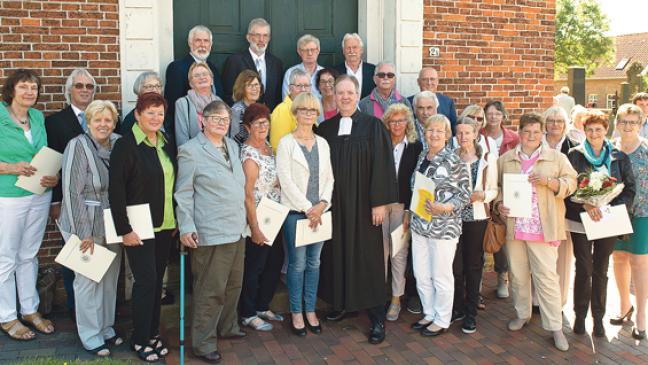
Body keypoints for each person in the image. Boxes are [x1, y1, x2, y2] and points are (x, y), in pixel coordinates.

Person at [317, 75, 398, 344]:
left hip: (365, 206)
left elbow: (383, 165)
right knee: (336, 253)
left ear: (357, 93)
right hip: (336, 206)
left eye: (350, 92)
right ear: (334, 95)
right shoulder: (326, 129)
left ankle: (376, 317)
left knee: (368, 258)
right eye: (340, 93)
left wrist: (379, 202)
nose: (345, 97)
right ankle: (342, 304)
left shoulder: (373, 126)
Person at [495, 112, 576, 351]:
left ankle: (555, 327)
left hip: (543, 227)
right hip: (515, 228)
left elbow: (572, 183)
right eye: (526, 131)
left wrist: (551, 182)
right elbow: (497, 187)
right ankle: (523, 314)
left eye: (536, 132)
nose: (531, 136)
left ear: (543, 133)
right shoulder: (507, 159)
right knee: (518, 276)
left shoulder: (556, 158)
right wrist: (498, 204)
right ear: (519, 132)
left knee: (547, 278)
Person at [174, 100, 246, 363]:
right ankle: (203, 343)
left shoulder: (233, 146)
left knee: (234, 285)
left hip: (238, 228)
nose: (221, 122)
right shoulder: (191, 150)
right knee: (210, 289)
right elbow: (183, 193)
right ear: (201, 120)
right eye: (215, 118)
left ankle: (228, 327)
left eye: (225, 119)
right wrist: (187, 226)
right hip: (211, 230)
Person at [109, 92, 176, 362]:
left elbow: (171, 183)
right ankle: (140, 338)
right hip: (137, 227)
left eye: (160, 113)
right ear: (137, 114)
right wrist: (124, 229)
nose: (155, 118)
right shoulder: (125, 145)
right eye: (150, 112)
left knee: (156, 282)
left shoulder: (165, 142)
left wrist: (176, 221)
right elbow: (116, 190)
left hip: (165, 225)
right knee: (146, 282)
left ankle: (152, 333)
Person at [58, 100, 123, 356]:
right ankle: (90, 334)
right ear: (88, 121)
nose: (103, 124)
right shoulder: (77, 145)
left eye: (108, 120)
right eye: (97, 120)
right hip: (84, 220)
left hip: (111, 222)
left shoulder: (118, 143)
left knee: (109, 279)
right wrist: (82, 233)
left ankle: (106, 327)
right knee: (88, 280)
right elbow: (72, 192)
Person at [566, 110, 636, 338]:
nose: (594, 133)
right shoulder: (575, 154)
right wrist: (585, 205)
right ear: (584, 131)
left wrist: (611, 208)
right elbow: (568, 189)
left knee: (601, 270)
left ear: (606, 130)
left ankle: (598, 319)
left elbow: (629, 189)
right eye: (589, 129)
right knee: (584, 268)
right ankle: (580, 315)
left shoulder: (618, 157)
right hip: (581, 219)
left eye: (598, 129)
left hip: (608, 220)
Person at [0, 69, 58, 341]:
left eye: (34, 88)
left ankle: (29, 309)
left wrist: (52, 175)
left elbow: (43, 153)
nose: (29, 92)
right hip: (8, 196)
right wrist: (10, 167)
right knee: (6, 257)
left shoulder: (36, 117)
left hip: (38, 193)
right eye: (23, 86)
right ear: (12, 90)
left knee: (28, 254)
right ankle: (7, 316)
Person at [276, 93, 334, 336]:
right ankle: (296, 312)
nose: (308, 114)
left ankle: (310, 309)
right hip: (296, 214)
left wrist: (322, 204)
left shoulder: (322, 143)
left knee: (314, 263)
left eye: (312, 110)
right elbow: (285, 180)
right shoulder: (286, 143)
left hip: (320, 213)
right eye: (303, 110)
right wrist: (307, 208)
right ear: (295, 113)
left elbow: (329, 177)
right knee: (297, 264)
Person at [409, 114, 470, 337]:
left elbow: (464, 195)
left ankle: (442, 318)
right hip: (419, 224)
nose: (434, 134)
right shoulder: (422, 156)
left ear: (447, 135)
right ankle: (428, 312)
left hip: (443, 227)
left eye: (439, 131)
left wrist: (444, 208)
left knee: (441, 275)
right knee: (421, 273)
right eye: (430, 130)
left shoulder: (455, 161)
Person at [46, 67, 97, 320]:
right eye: (79, 86)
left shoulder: (103, 117)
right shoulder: (55, 122)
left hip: (99, 202)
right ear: (69, 91)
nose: (85, 90)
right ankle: (76, 308)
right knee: (74, 255)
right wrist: (55, 200)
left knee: (95, 256)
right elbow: (51, 164)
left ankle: (95, 311)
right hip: (69, 200)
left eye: (89, 86)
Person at [238, 103, 285, 332]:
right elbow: (247, 193)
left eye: (266, 123)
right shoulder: (249, 154)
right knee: (254, 266)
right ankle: (247, 312)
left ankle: (262, 305)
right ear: (247, 127)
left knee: (273, 263)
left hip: (275, 215)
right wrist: (254, 227)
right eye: (258, 123)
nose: (263, 127)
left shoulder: (268, 147)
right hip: (257, 218)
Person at [451, 116, 498, 334]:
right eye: (459, 133)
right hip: (453, 219)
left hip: (476, 219)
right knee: (455, 267)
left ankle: (471, 313)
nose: (463, 137)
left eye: (467, 133)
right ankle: (458, 307)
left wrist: (483, 195)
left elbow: (494, 190)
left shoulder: (486, 159)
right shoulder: (451, 157)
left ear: (475, 134)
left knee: (472, 266)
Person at [380, 104, 422, 322]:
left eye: (401, 121)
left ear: (408, 123)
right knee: (381, 252)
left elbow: (418, 183)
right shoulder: (380, 144)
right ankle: (378, 298)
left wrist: (409, 211)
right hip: (381, 205)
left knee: (399, 253)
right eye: (393, 121)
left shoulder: (415, 147)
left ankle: (396, 299)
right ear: (387, 123)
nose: (397, 125)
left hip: (402, 207)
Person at [611, 103, 648, 340]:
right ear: (617, 123)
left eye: (633, 122)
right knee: (618, 258)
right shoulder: (609, 150)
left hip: (643, 213)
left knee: (640, 263)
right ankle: (625, 306)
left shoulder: (646, 150)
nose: (628, 126)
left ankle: (642, 316)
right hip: (615, 213)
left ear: (641, 124)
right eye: (624, 121)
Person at [480, 100, 518, 299]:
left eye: (497, 113)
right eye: (489, 113)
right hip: (482, 192)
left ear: (503, 115)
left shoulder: (513, 138)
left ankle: (502, 276)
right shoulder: (478, 135)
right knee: (481, 234)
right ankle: (477, 280)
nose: (493, 117)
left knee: (500, 235)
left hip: (504, 192)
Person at [542, 106, 578, 309]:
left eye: (559, 121)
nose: (555, 124)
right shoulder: (536, 145)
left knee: (562, 259)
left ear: (565, 125)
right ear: (545, 124)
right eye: (551, 120)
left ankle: (558, 302)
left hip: (565, 210)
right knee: (539, 257)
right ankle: (537, 299)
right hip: (538, 209)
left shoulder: (574, 149)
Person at [164, 25, 224, 134]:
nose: (202, 45)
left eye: (206, 41)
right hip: (188, 131)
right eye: (198, 40)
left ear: (210, 45)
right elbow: (172, 106)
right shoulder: (177, 68)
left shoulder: (213, 69)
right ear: (190, 43)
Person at [221, 18, 284, 110]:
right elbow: (228, 94)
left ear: (269, 38)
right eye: (257, 35)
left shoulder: (276, 64)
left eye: (265, 35)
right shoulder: (234, 61)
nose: (261, 40)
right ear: (248, 37)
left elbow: (278, 96)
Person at [174, 62, 223, 147]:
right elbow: (182, 139)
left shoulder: (219, 103)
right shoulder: (182, 103)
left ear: (212, 81)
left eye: (204, 74)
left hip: (218, 154)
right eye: (196, 75)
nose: (202, 77)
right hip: (195, 155)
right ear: (191, 84)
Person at [407, 67, 457, 134]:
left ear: (437, 81)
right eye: (425, 79)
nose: (429, 83)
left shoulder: (447, 102)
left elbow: (453, 129)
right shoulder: (408, 102)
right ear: (418, 82)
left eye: (432, 79)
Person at [270, 69, 311, 151]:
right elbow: (278, 147)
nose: (303, 90)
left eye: (306, 86)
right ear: (290, 88)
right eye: (299, 86)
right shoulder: (282, 111)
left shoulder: (310, 108)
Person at [333, 33, 376, 98]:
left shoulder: (373, 70)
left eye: (355, 47)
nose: (351, 51)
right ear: (343, 51)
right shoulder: (335, 71)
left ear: (361, 50)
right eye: (348, 48)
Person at [281, 34, 323, 99]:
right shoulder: (290, 73)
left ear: (318, 51)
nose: (310, 53)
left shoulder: (324, 73)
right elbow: (286, 99)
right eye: (305, 50)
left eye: (312, 49)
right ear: (299, 52)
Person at [230, 70, 263, 145]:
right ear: (242, 88)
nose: (254, 88)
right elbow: (235, 141)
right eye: (249, 85)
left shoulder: (259, 109)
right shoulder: (237, 110)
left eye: (256, 84)